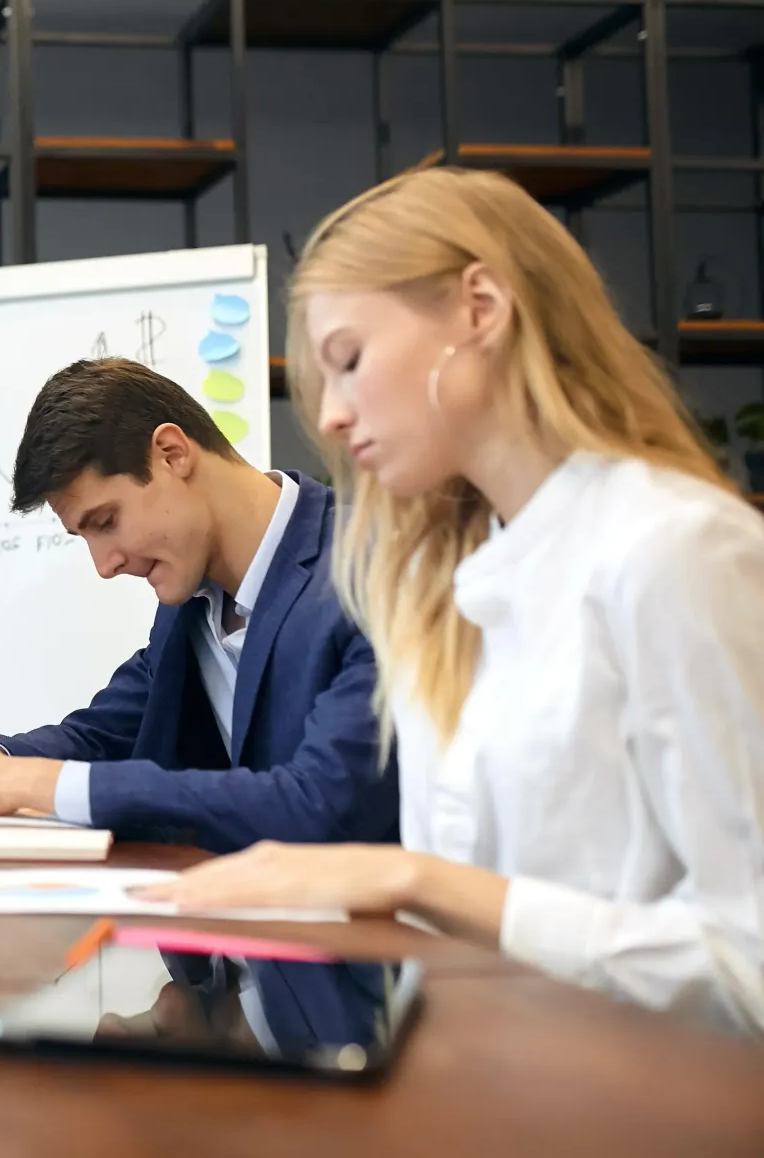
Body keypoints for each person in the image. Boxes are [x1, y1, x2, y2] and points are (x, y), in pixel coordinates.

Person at [141, 167, 764, 1038]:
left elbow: (748, 964)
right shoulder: (445, 583)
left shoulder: (676, 550)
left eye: (351, 362)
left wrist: (415, 882)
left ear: (481, 306)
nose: (331, 421)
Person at [0, 359, 397, 852]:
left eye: (105, 521)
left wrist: (24, 784)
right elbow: (104, 736)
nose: (105, 564)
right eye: (84, 536)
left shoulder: (374, 566)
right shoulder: (190, 597)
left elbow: (319, 804)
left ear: (171, 453)